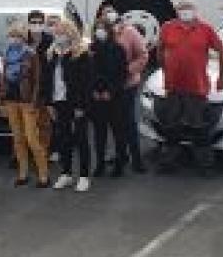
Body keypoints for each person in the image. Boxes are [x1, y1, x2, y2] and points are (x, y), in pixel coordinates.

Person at [155, 0, 223, 175]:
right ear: (176, 10)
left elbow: (222, 51)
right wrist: (165, 71)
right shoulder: (167, 28)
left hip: (197, 87)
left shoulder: (205, 29)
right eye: (182, 7)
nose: (185, 10)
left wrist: (221, 77)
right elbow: (160, 51)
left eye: (188, 7)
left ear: (195, 10)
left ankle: (205, 166)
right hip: (173, 87)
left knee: (199, 128)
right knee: (172, 127)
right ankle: (168, 163)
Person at [0, 17, 51, 188]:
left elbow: (37, 80)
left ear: (24, 37)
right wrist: (1, 97)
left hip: (27, 100)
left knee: (32, 138)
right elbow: (3, 78)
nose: (14, 39)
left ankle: (43, 174)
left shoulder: (31, 54)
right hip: (11, 101)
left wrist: (35, 101)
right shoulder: (6, 54)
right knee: (18, 138)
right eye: (12, 36)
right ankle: (23, 173)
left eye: (18, 36)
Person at [46, 19, 97, 192]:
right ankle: (66, 173)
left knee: (81, 139)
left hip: (76, 103)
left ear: (71, 34)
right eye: (57, 33)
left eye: (62, 33)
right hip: (58, 101)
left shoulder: (81, 54)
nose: (59, 36)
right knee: (63, 138)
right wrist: (49, 103)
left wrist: (81, 106)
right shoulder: (53, 53)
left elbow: (87, 84)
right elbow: (49, 80)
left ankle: (83, 176)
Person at [86, 14, 129, 179]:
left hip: (115, 97)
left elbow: (122, 74)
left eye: (103, 29)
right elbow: (88, 74)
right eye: (97, 29)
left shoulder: (118, 48)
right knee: (99, 133)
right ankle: (100, 164)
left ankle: (119, 164)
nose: (100, 32)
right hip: (96, 98)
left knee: (118, 132)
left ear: (109, 31)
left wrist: (110, 91)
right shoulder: (91, 49)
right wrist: (94, 91)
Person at [113, 15, 150, 174]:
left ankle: (137, 160)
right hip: (111, 86)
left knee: (128, 122)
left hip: (128, 84)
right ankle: (120, 157)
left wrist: (128, 70)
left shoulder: (130, 32)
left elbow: (143, 55)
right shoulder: (105, 33)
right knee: (116, 123)